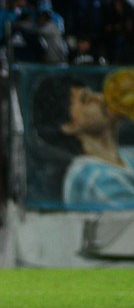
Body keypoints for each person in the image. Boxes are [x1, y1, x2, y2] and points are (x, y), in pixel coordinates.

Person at [32, 73, 134, 209]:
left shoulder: (127, 155)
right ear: (69, 126)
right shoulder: (91, 178)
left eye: (94, 93)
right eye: (86, 99)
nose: (100, 98)